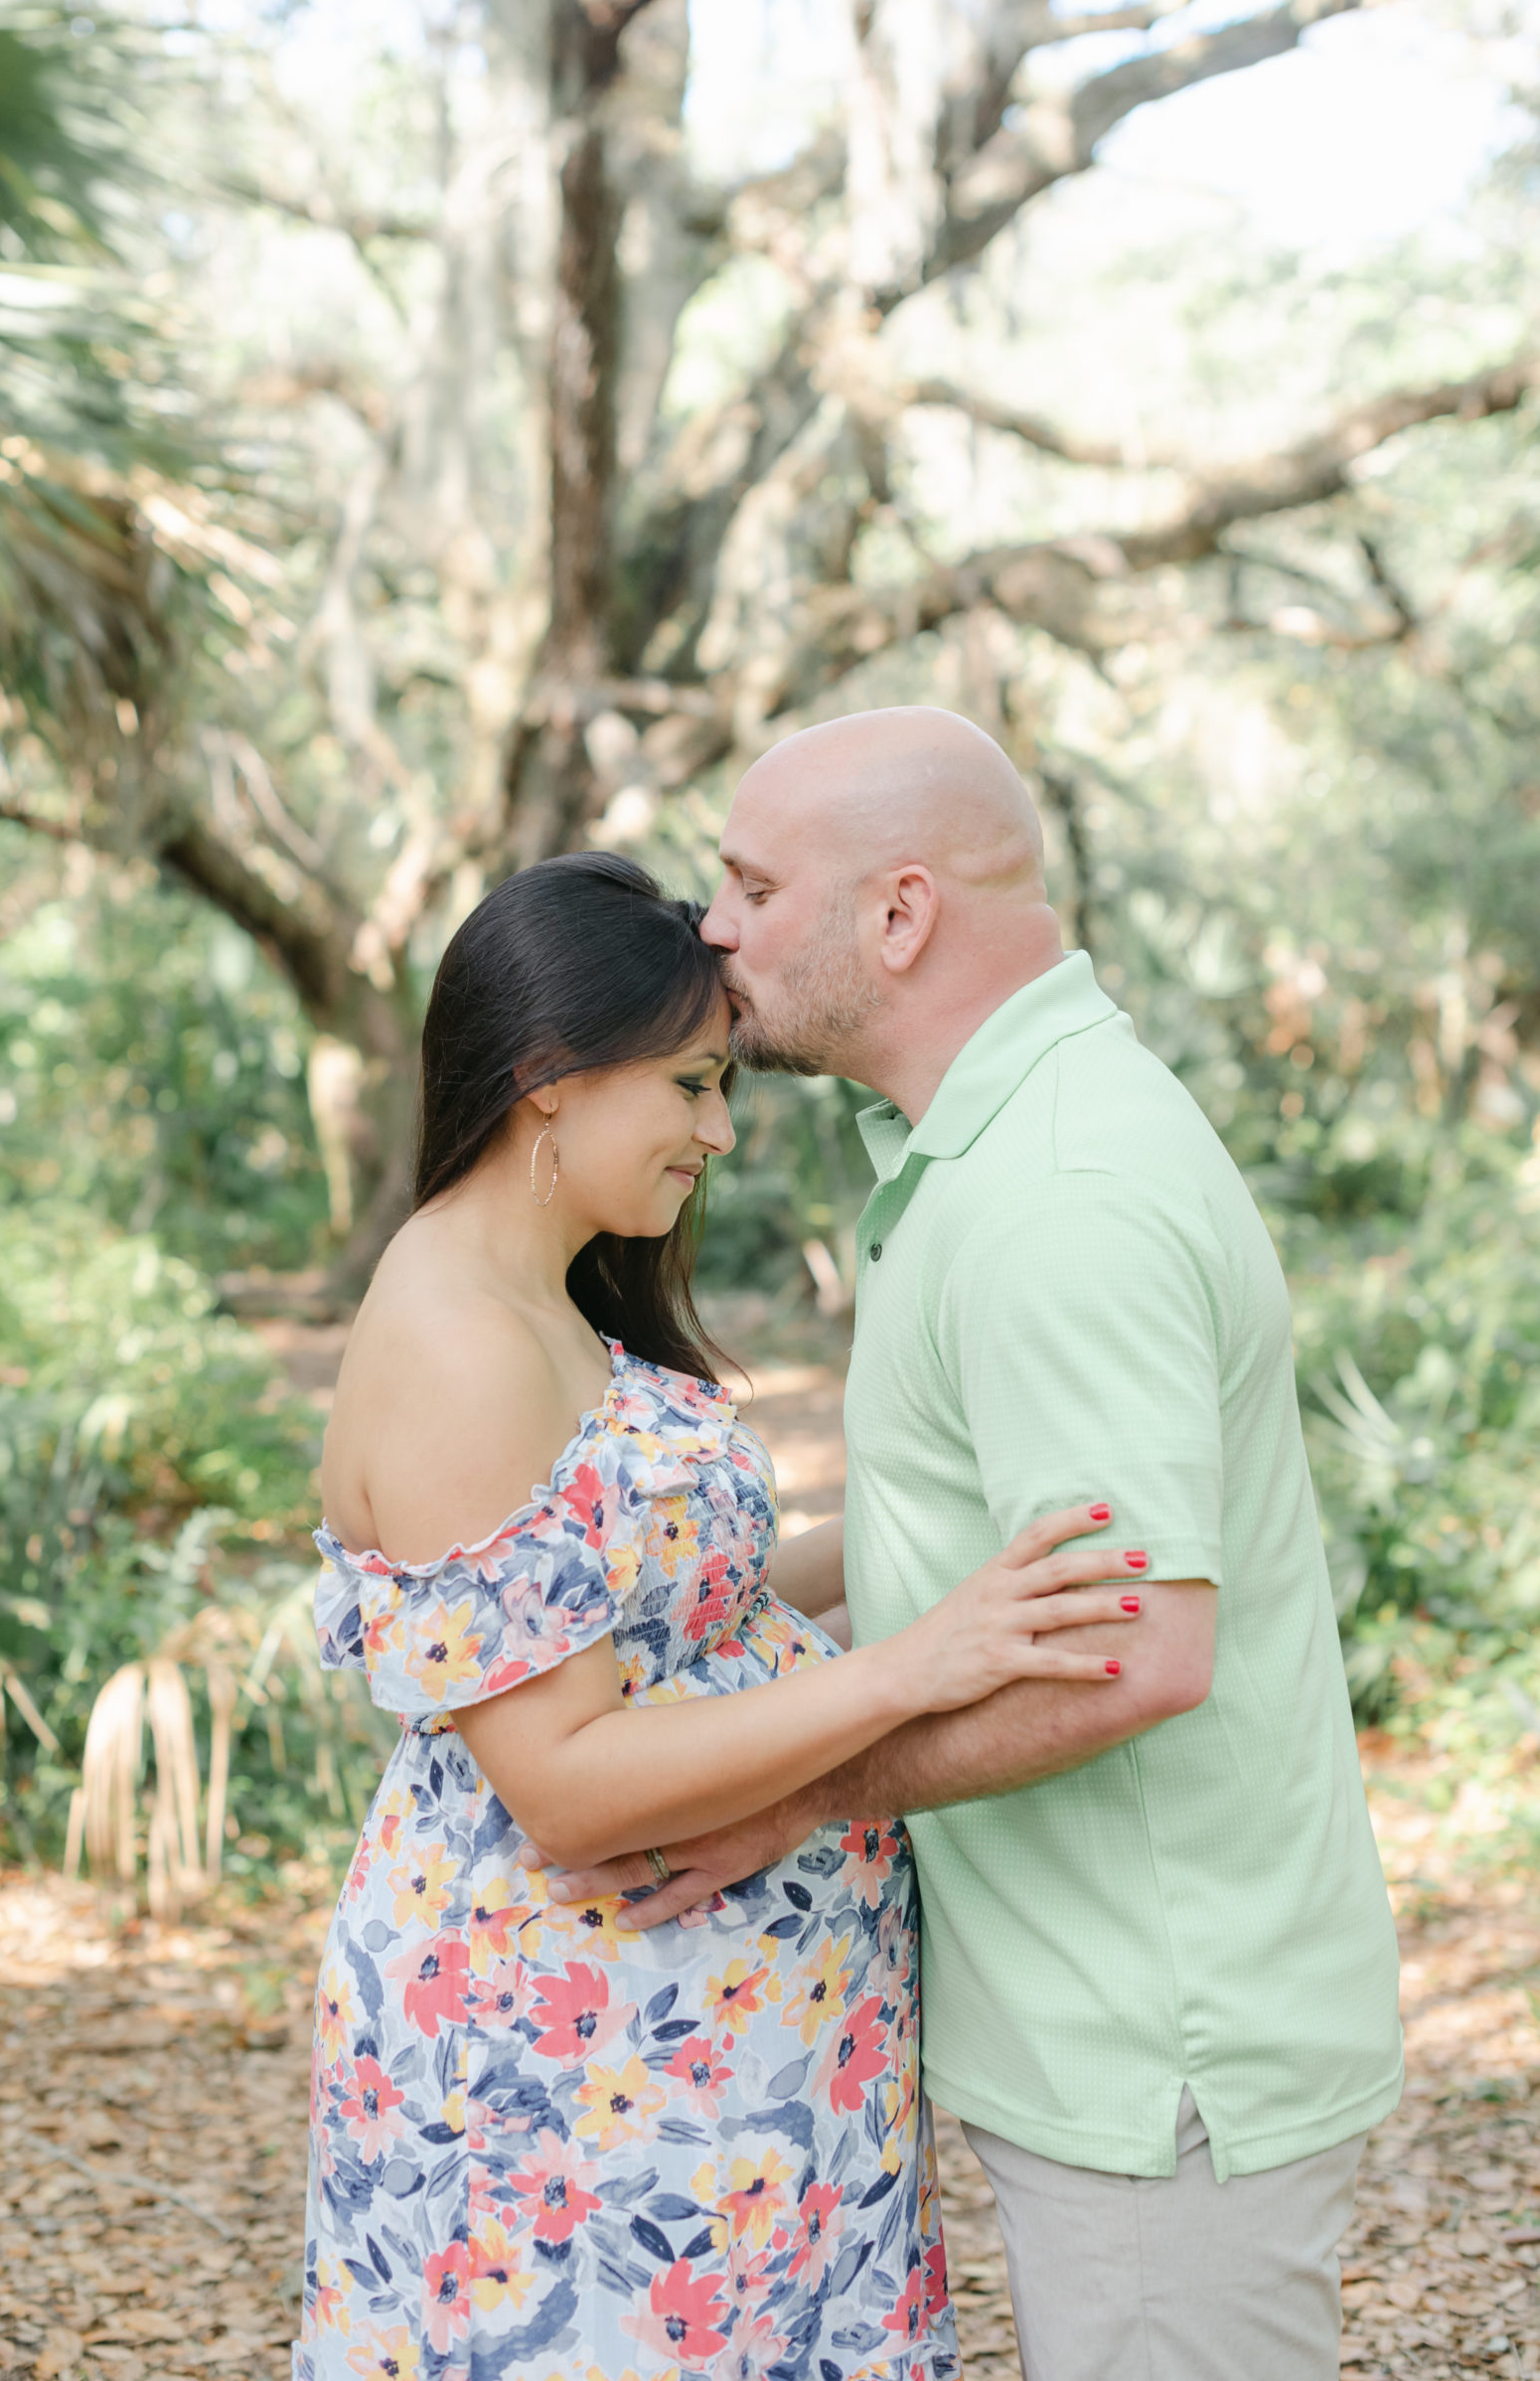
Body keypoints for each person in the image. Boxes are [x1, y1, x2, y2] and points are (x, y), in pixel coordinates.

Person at [546, 714, 1405, 2381]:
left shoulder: (1056, 1196)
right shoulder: (992, 1150)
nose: (710, 924)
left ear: (898, 915)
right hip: (1103, 2030)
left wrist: (791, 1803)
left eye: (750, 883)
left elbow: (1134, 1655)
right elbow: (965, 1545)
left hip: (1162, 2052)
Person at [294, 850, 1140, 2381]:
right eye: (689, 1085)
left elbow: (688, 1597)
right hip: (582, 2069)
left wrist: (954, 1556)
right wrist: (905, 1670)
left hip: (720, 2070)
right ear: (550, 1077)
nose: (718, 1130)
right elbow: (560, 1782)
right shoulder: (459, 1345)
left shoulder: (541, 1293)